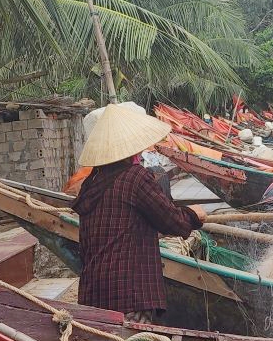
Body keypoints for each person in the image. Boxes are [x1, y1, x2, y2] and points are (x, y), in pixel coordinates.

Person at [72, 103, 206, 324]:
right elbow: (173, 223)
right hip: (129, 293)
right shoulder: (135, 176)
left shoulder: (91, 182)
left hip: (93, 293)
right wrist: (193, 215)